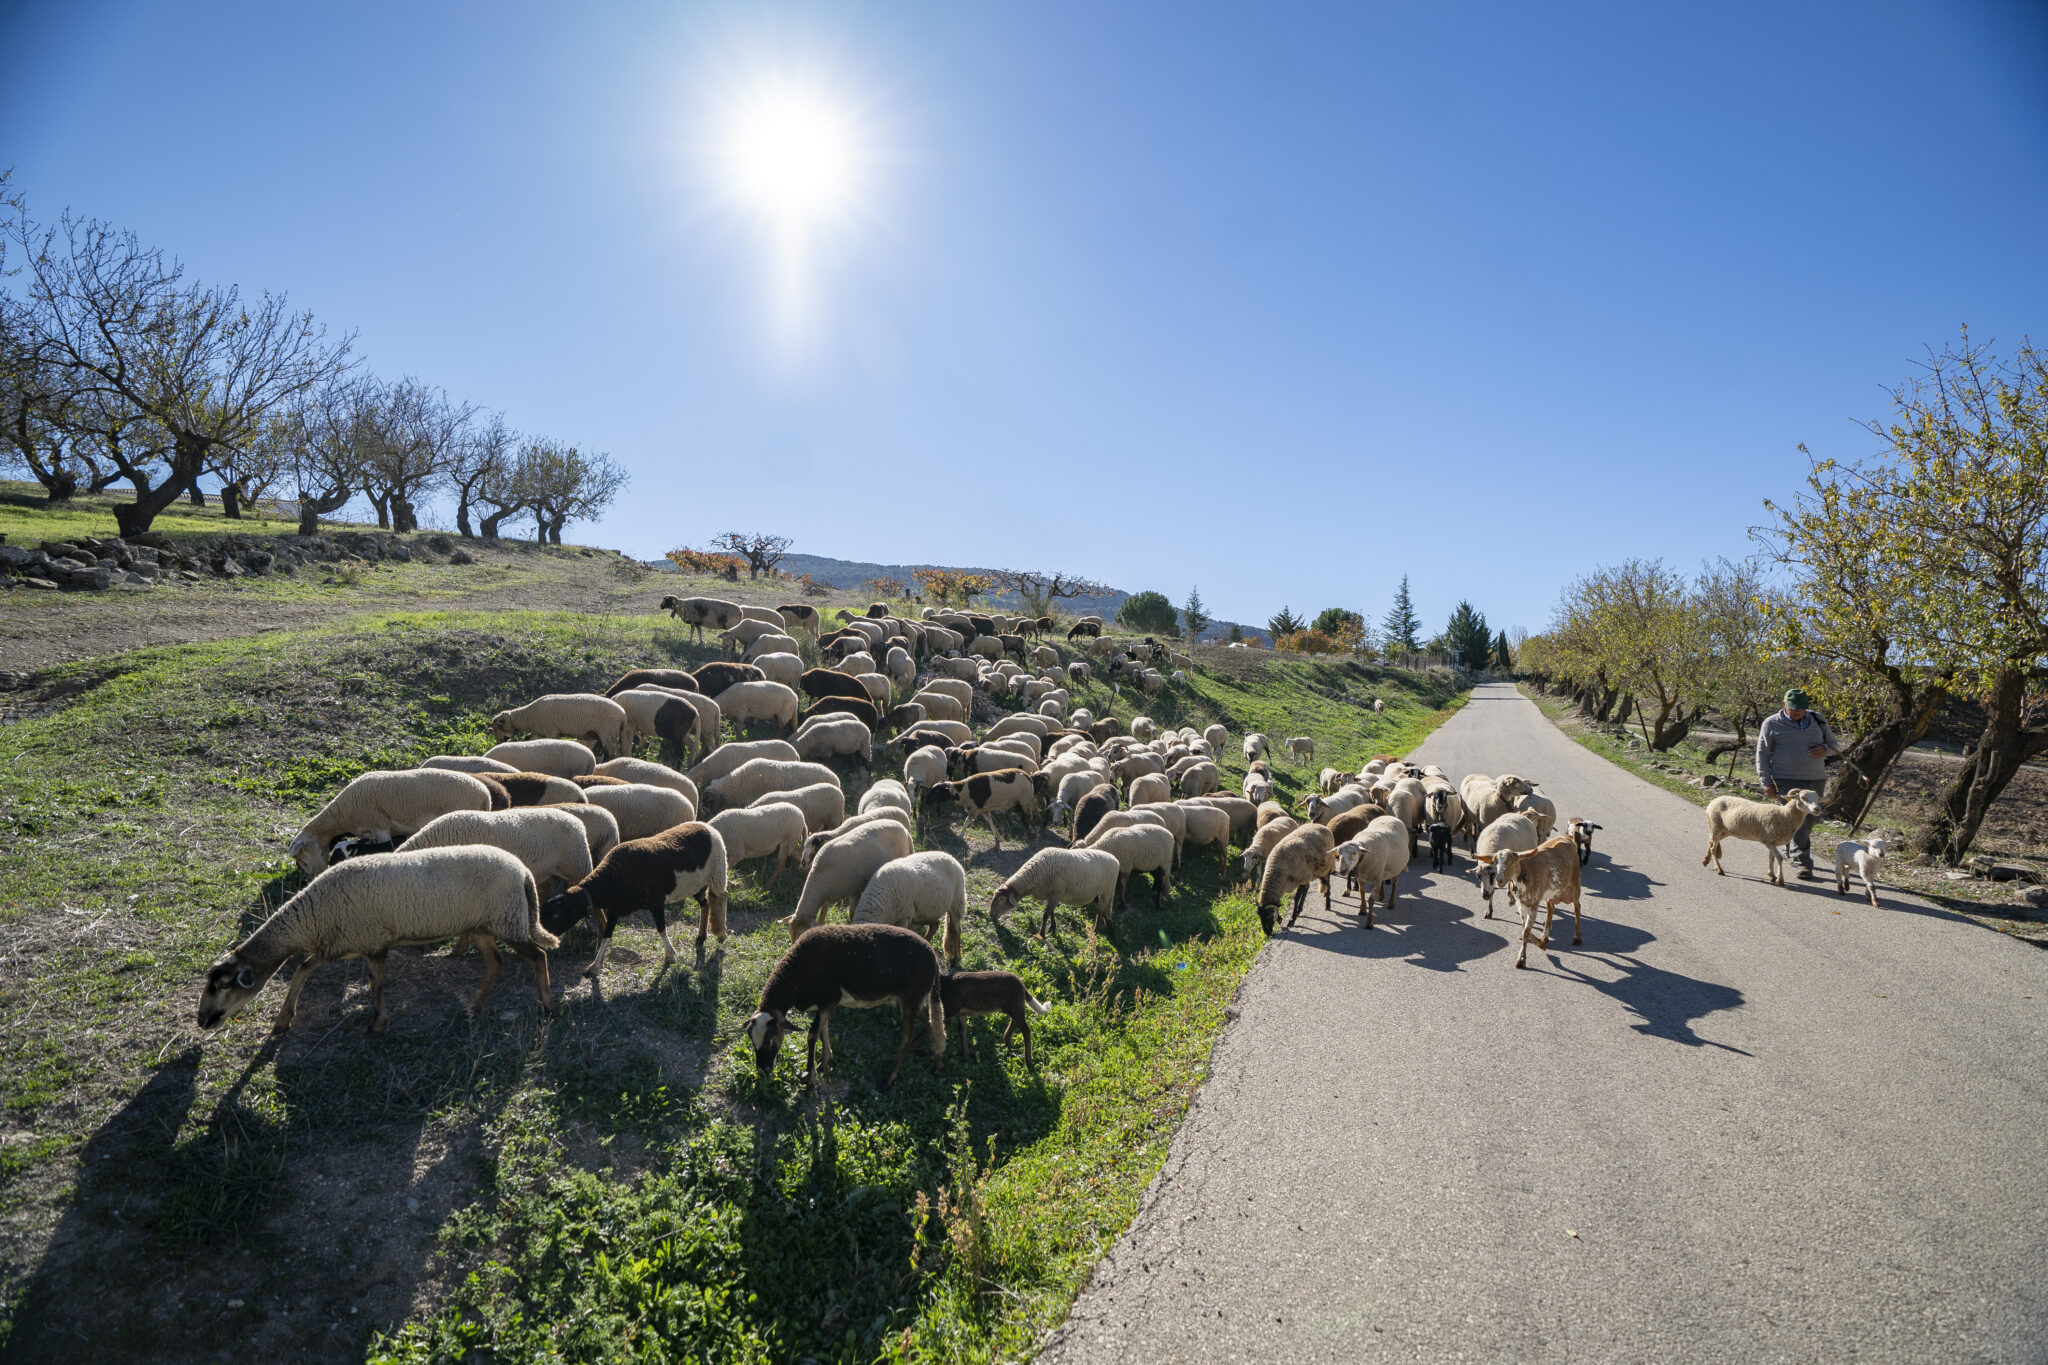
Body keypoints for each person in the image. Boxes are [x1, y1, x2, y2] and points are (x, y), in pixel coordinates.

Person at [1755, 687, 1837, 879]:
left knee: (1810, 819)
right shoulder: (1771, 723)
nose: (1798, 713)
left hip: (1815, 778)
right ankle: (1802, 863)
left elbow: (1835, 747)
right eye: (1793, 709)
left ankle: (1791, 848)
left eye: (1801, 709)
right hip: (1787, 779)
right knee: (1794, 820)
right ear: (1784, 705)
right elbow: (1762, 753)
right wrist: (1766, 781)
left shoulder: (1817, 720)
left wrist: (1825, 749)